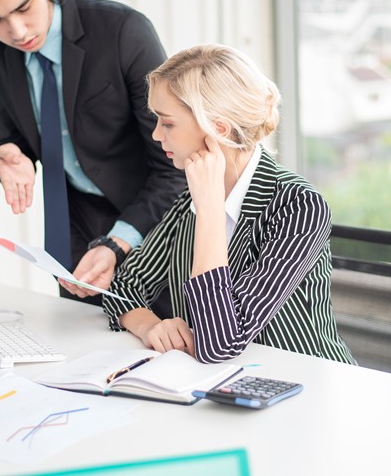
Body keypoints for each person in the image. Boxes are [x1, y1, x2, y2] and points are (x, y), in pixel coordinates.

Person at [0, 0, 185, 305]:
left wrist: (119, 243)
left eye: (24, 8)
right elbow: (13, 128)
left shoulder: (123, 31)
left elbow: (174, 165)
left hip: (156, 222)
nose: (18, 32)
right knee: (84, 344)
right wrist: (9, 151)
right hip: (75, 225)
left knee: (163, 344)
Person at [75, 43, 356, 364]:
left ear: (217, 129)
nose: (155, 135)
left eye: (167, 123)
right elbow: (126, 284)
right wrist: (150, 325)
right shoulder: (188, 200)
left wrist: (209, 210)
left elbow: (220, 343)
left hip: (302, 381)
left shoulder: (298, 207)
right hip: (217, 383)